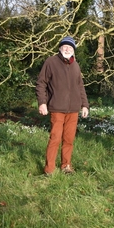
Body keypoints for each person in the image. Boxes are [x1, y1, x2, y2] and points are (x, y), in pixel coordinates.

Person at [36, 36, 89, 175]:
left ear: (73, 51)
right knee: (55, 138)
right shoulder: (51, 62)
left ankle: (66, 165)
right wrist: (42, 103)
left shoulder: (75, 65)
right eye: (65, 46)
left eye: (70, 47)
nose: (67, 49)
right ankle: (49, 169)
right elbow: (41, 83)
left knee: (69, 139)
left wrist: (85, 105)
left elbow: (80, 86)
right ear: (60, 48)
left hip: (73, 110)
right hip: (56, 108)